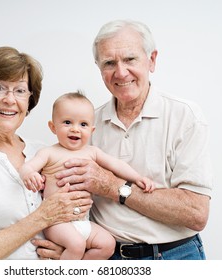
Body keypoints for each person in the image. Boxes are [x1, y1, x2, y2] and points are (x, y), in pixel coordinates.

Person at [35, 20, 213, 260]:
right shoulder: (86, 124)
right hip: (104, 255)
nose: (120, 72)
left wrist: (113, 187)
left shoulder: (185, 116)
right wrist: (67, 243)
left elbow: (196, 213)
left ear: (152, 60)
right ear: (99, 69)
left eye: (130, 59)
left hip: (175, 256)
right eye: (109, 63)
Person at [0, 46, 93, 260]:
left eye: (20, 90)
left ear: (29, 100)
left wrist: (68, 248)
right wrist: (42, 217)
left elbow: (69, 216)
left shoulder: (42, 151)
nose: (10, 100)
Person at [19, 91, 156, 260]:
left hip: (83, 221)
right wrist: (30, 175)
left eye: (83, 124)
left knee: (107, 245)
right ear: (53, 127)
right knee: (76, 245)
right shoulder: (48, 153)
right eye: (67, 122)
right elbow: (27, 167)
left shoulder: (92, 152)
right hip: (57, 222)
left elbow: (116, 165)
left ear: (92, 130)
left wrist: (137, 178)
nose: (75, 129)